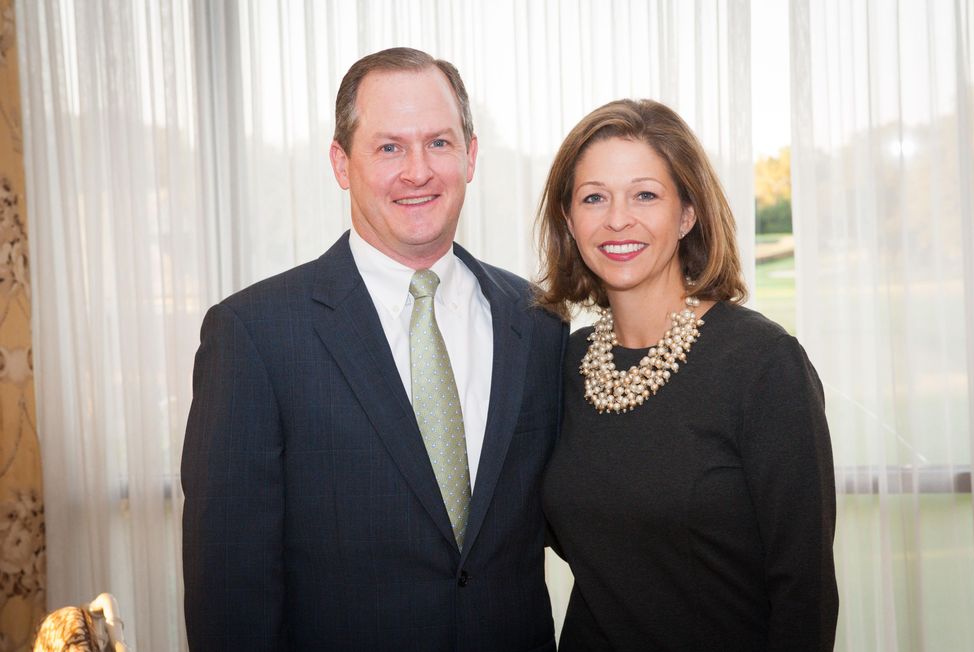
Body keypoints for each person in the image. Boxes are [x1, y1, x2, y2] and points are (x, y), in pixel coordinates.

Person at [181, 47, 567, 651]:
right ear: (341, 163)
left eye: (438, 143)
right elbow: (231, 591)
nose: (418, 171)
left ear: (470, 155)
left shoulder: (538, 321)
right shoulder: (253, 335)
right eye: (389, 147)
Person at [536, 99, 838, 651]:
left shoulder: (763, 364)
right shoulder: (560, 365)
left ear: (687, 215)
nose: (617, 218)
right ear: (569, 220)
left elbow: (805, 591)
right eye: (594, 197)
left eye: (645, 195)